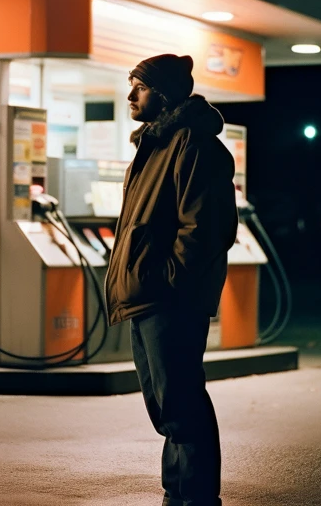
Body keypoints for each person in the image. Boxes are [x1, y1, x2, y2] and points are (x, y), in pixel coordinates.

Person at [105, 54, 238, 506]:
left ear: (161, 93)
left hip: (168, 298)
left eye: (138, 87)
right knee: (167, 406)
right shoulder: (155, 146)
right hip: (149, 296)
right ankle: (177, 494)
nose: (130, 96)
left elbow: (203, 229)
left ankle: (196, 498)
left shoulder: (193, 145)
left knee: (181, 402)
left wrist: (168, 282)